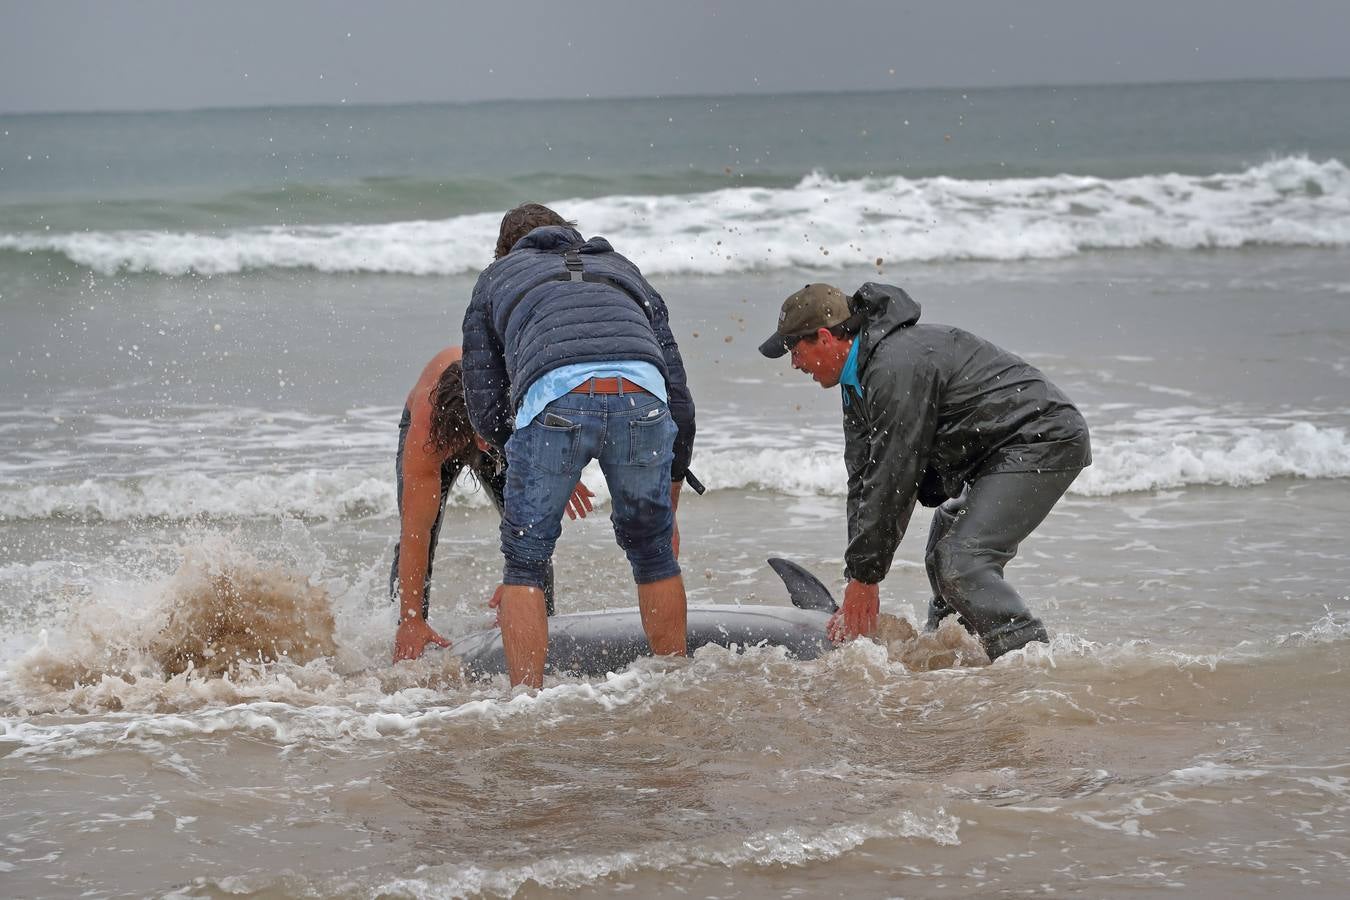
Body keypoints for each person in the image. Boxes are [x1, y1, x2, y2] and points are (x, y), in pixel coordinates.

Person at [758, 282, 1091, 660]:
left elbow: (894, 478)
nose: (794, 363)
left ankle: (1027, 663)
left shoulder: (893, 367)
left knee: (962, 560)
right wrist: (857, 577)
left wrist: (867, 579)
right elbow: (864, 481)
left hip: (1042, 439)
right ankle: (950, 651)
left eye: (795, 350)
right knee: (943, 545)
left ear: (823, 337)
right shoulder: (856, 381)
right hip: (996, 454)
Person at [462, 203, 695, 687]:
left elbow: (481, 394)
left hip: (555, 397)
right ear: (570, 234)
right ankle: (675, 682)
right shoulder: (623, 267)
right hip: (643, 397)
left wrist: (517, 450)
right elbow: (678, 391)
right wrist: (671, 498)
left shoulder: (497, 277)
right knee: (654, 553)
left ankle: (525, 701)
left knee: (525, 561)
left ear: (507, 250)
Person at [390, 346, 594, 662]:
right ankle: (409, 631)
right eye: (480, 439)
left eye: (488, 436)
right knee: (420, 536)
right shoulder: (428, 434)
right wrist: (411, 619)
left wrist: (557, 469)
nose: (486, 447)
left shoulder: (524, 397)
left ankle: (539, 620)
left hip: (507, 423)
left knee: (531, 536)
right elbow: (416, 533)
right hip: (446, 425)